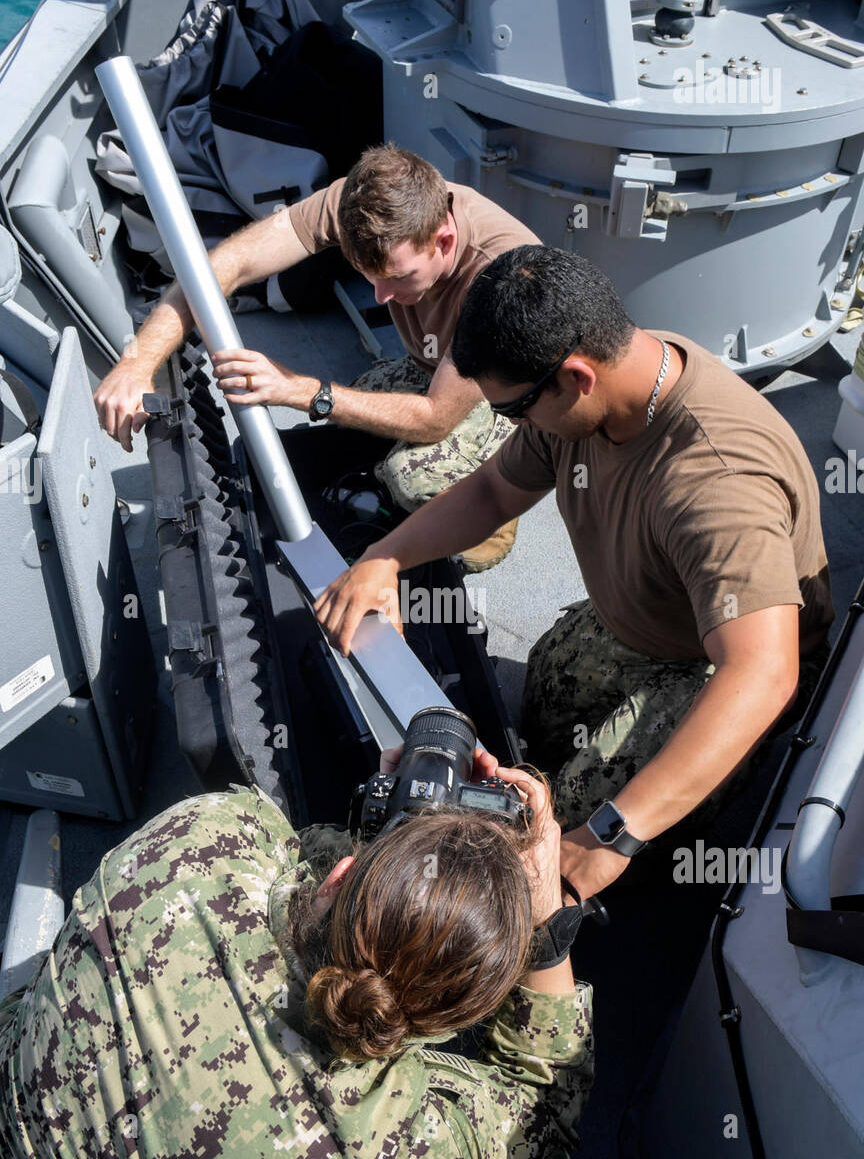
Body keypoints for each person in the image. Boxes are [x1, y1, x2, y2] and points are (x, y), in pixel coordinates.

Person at [312, 246, 834, 905]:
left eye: (511, 411)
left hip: (716, 662)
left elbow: (762, 673)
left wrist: (613, 835)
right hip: (643, 610)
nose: (512, 426)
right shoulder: (600, 380)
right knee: (542, 707)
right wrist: (384, 558)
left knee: (553, 843)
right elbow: (496, 492)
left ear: (576, 378)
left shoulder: (716, 482)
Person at [0, 747, 593, 1159]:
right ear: (448, 1024)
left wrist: (385, 826)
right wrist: (545, 929)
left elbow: (298, 855)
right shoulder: (379, 1150)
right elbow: (543, 1111)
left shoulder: (209, 837)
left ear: (341, 876)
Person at [94, 144, 540, 570]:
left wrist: (301, 391)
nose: (383, 298)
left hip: (509, 399)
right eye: (370, 278)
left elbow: (436, 418)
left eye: (397, 278)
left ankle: (486, 527)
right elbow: (230, 263)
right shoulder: (368, 203)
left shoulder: (496, 279)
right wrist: (137, 363)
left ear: (443, 241)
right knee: (356, 415)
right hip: (440, 363)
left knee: (410, 476)